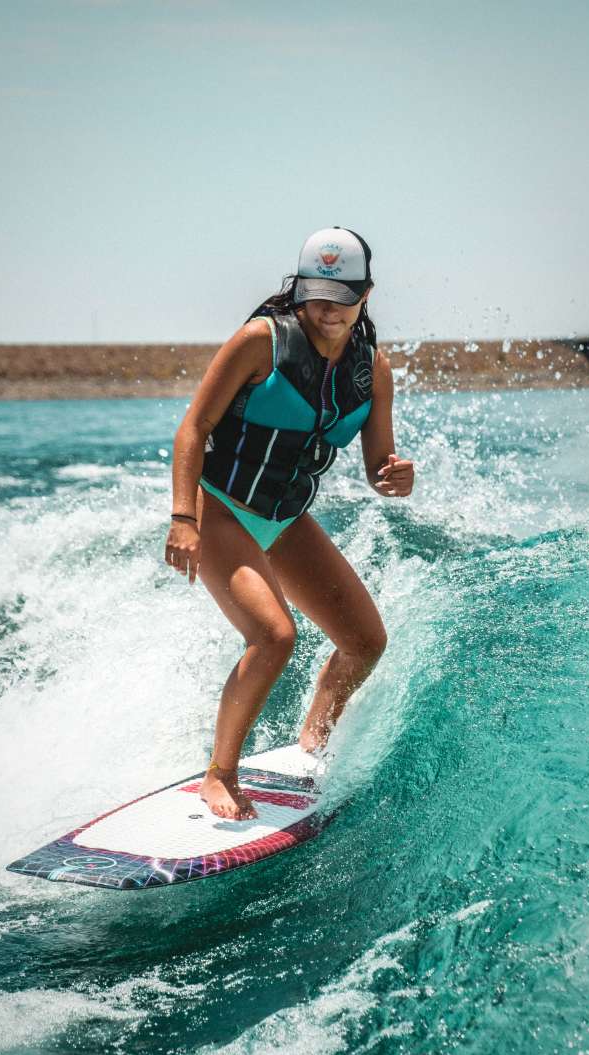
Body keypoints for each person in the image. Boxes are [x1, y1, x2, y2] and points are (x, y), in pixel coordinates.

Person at [165, 227, 414, 821]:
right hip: (221, 507)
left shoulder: (372, 370)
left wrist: (393, 476)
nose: (326, 309)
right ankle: (219, 773)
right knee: (275, 636)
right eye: (315, 294)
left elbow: (378, 465)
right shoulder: (261, 342)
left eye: (341, 297)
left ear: (367, 294)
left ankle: (311, 744)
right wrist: (182, 517)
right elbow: (193, 428)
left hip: (285, 518)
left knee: (364, 643)